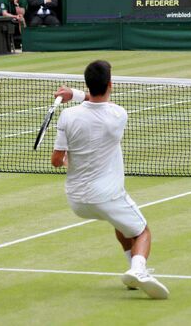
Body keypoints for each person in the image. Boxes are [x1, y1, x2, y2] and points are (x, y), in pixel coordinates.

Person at [51, 60, 170, 299]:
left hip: (77, 201)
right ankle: (139, 269)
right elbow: (96, 102)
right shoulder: (118, 114)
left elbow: (56, 161)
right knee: (142, 232)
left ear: (87, 83)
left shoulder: (67, 117)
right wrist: (75, 94)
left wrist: (73, 94)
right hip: (107, 195)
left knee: (121, 224)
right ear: (110, 85)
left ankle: (135, 270)